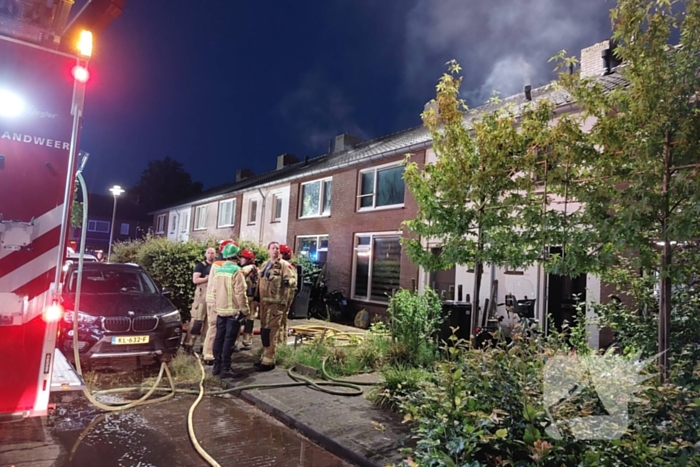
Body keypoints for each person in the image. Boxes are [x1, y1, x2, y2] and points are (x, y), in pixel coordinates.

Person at [253, 241, 297, 371]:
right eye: (273, 248)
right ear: (268, 250)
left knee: (271, 331)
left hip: (276, 304)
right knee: (264, 330)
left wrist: (288, 281)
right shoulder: (265, 265)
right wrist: (256, 297)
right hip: (264, 304)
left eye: (277, 248)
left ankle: (269, 360)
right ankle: (264, 355)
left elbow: (293, 280)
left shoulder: (284, 265)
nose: (275, 250)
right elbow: (260, 282)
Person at [211, 242, 248, 378]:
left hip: (220, 310)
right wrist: (245, 310)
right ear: (236, 256)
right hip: (233, 311)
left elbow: (214, 290)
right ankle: (225, 368)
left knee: (219, 337)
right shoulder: (236, 270)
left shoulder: (219, 270)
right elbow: (240, 293)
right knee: (229, 340)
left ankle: (217, 366)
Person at [202, 239, 234, 364]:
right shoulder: (222, 265)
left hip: (212, 299)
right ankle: (209, 354)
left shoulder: (217, 263)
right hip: (216, 300)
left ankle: (208, 352)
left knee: (213, 326)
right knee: (215, 326)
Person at [183, 247, 216, 355]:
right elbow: (195, 280)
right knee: (197, 321)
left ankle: (204, 346)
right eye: (209, 253)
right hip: (201, 297)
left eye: (212, 253)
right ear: (205, 254)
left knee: (209, 323)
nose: (210, 255)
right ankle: (188, 344)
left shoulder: (216, 266)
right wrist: (207, 278)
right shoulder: (200, 266)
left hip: (211, 298)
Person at [277, 244, 298, 345]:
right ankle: (280, 341)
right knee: (281, 319)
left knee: (281, 319)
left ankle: (280, 342)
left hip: (285, 296)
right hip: (283, 296)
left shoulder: (288, 266)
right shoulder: (283, 265)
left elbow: (292, 281)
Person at [238, 249, 258, 350]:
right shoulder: (256, 269)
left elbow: (240, 274)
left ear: (248, 259)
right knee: (249, 321)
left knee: (239, 320)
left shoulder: (247, 268)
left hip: (244, 298)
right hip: (252, 298)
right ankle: (247, 341)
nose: (241, 259)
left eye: (243, 258)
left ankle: (235, 342)